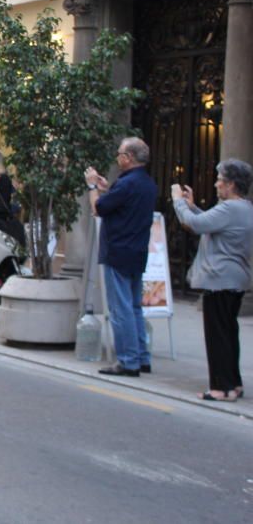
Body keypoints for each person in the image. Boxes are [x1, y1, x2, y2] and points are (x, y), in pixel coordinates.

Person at [172, 159, 253, 402]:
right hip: (233, 278)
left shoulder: (230, 208)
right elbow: (209, 221)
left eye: (219, 180)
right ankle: (233, 384)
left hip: (219, 278)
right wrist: (192, 206)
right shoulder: (243, 208)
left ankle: (221, 388)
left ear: (230, 184)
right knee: (228, 332)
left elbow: (196, 225)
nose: (216, 184)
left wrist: (178, 200)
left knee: (217, 335)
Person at [86, 136, 158, 377]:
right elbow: (121, 203)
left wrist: (92, 187)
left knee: (121, 309)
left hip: (118, 250)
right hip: (137, 251)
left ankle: (128, 361)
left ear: (128, 158)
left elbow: (98, 208)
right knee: (135, 307)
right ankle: (141, 357)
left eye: (119, 154)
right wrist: (108, 189)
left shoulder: (126, 184)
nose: (117, 158)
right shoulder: (147, 183)